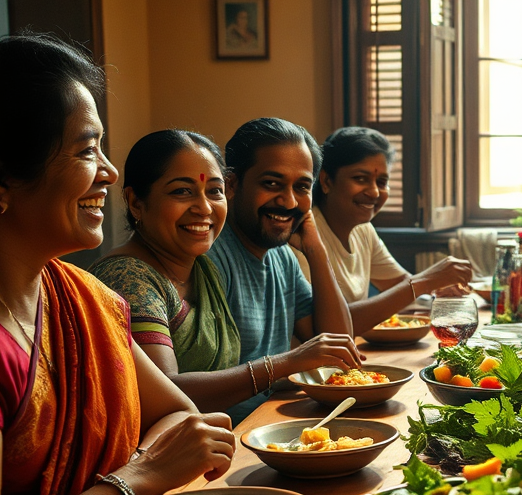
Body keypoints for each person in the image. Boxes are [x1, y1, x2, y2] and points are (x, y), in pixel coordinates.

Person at [0, 34, 235, 495]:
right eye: (87, 150)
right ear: (3, 181)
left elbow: (175, 412)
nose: (107, 171)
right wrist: (137, 481)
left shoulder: (83, 298)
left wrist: (144, 472)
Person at [90, 131, 359, 414]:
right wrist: (284, 364)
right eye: (182, 191)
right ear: (135, 202)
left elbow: (335, 348)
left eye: (214, 191)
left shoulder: (201, 268)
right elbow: (163, 396)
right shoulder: (127, 278)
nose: (204, 208)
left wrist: (316, 251)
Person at [208, 118, 362, 423]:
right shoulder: (210, 255)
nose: (289, 201)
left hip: (272, 420)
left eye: (302, 187)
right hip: (229, 435)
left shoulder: (283, 256)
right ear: (232, 184)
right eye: (271, 184)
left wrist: (316, 252)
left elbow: (338, 348)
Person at [303, 127, 472, 335]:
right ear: (327, 181)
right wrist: (425, 281)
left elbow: (399, 286)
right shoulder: (303, 237)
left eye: (382, 182)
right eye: (360, 178)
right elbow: (328, 327)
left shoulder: (363, 230)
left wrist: (439, 293)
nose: (374, 192)